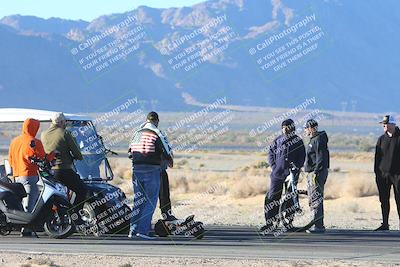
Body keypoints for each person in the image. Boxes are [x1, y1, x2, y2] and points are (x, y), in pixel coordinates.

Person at [128, 111, 173, 240]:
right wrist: (169, 161)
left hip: (136, 169)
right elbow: (166, 150)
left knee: (138, 200)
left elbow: (130, 153)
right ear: (157, 121)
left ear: (146, 120)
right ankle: (143, 231)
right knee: (150, 201)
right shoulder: (156, 132)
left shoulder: (137, 133)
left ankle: (133, 230)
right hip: (151, 170)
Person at [41, 112, 87, 225]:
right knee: (82, 190)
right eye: (65, 121)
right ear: (61, 122)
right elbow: (77, 153)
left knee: (58, 194)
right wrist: (76, 157)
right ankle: (75, 215)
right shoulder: (65, 133)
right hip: (63, 169)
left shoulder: (43, 134)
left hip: (49, 171)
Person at [261, 119, 305, 233]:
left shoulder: (298, 141)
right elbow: (271, 153)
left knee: (290, 198)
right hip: (277, 174)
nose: (285, 129)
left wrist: (297, 166)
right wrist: (274, 165)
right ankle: (270, 223)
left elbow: (302, 157)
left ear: (292, 128)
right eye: (283, 127)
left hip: (291, 174)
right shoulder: (277, 140)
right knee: (272, 198)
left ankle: (288, 223)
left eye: (287, 127)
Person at [8, 118, 48, 237]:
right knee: (30, 202)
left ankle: (19, 225)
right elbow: (43, 157)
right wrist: (52, 154)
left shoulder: (14, 141)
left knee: (20, 202)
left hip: (16, 176)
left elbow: (10, 159)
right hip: (29, 176)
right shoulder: (34, 141)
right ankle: (26, 229)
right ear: (34, 128)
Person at [374, 115, 400, 231]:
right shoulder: (381, 139)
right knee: (383, 199)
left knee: (399, 199)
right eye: (383, 124)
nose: (384, 125)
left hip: (397, 175)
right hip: (383, 175)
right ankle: (385, 224)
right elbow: (377, 157)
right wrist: (377, 173)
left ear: (393, 125)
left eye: (386, 123)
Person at [304, 119, 330, 233]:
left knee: (316, 198)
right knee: (313, 197)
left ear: (312, 128)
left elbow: (321, 157)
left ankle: (318, 226)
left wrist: (315, 172)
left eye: (306, 128)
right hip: (312, 172)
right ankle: (316, 223)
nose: (305, 130)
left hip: (317, 173)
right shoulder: (313, 139)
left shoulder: (318, 139)